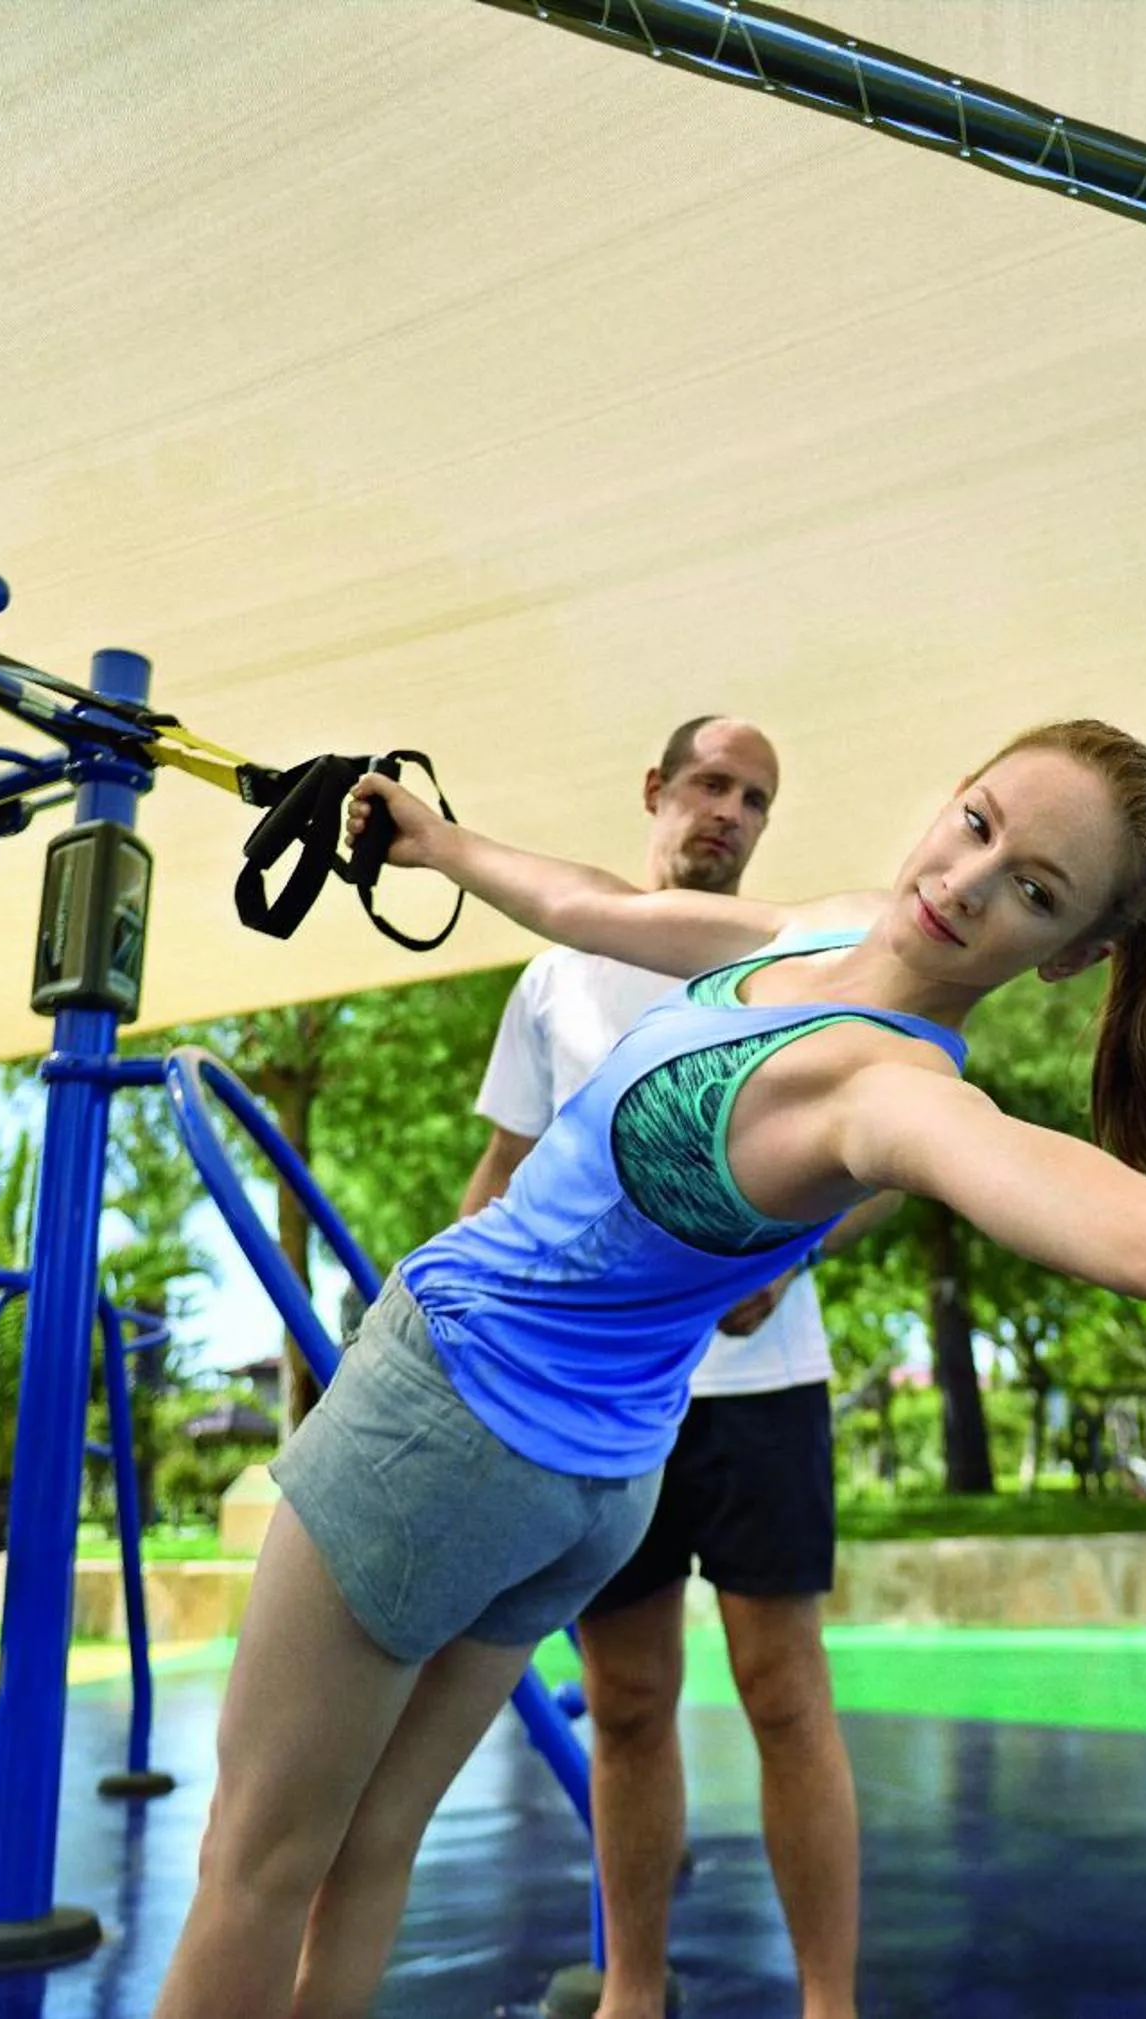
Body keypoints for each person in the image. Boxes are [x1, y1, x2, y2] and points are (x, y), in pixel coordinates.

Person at [154, 718, 1146, 2019]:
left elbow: (988, 1156)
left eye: (1033, 892)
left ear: (1072, 956)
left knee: (251, 1860)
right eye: (979, 822)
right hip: (590, 1475)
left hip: (448, 1426)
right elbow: (609, 910)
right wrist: (440, 844)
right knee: (361, 1845)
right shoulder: (826, 928)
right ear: (951, 795)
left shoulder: (879, 1085)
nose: (965, 881)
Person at [457, 714, 892, 2019]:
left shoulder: (804, 964)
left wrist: (791, 1251)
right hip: (605, 1397)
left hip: (762, 1391)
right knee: (628, 1699)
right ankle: (632, 1991)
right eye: (709, 783)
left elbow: (885, 1152)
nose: (729, 810)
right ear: (653, 790)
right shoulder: (558, 975)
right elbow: (500, 1180)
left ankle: (829, 2001)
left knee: (782, 1693)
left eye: (754, 796)